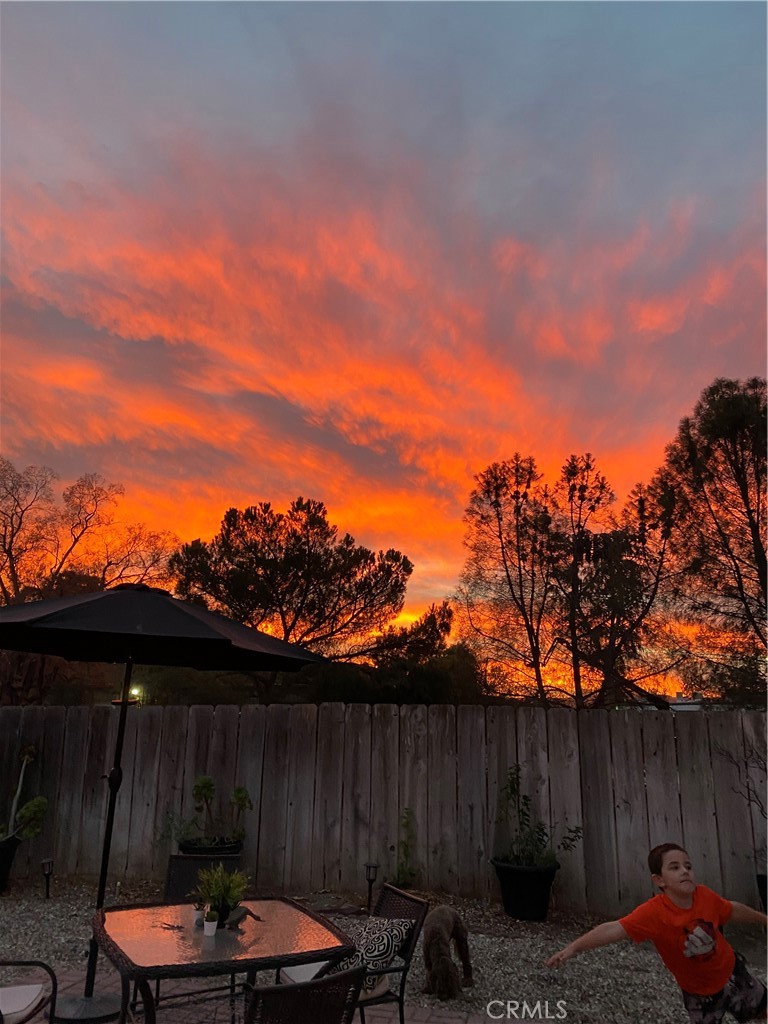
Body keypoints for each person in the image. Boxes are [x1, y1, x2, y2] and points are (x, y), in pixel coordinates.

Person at [546, 843, 767, 1024]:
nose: (685, 871)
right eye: (674, 867)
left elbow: (731, 909)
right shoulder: (653, 913)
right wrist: (573, 947)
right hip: (700, 995)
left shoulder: (705, 896)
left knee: (763, 1010)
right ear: (659, 880)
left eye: (688, 866)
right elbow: (613, 928)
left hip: (734, 974)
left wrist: (764, 919)